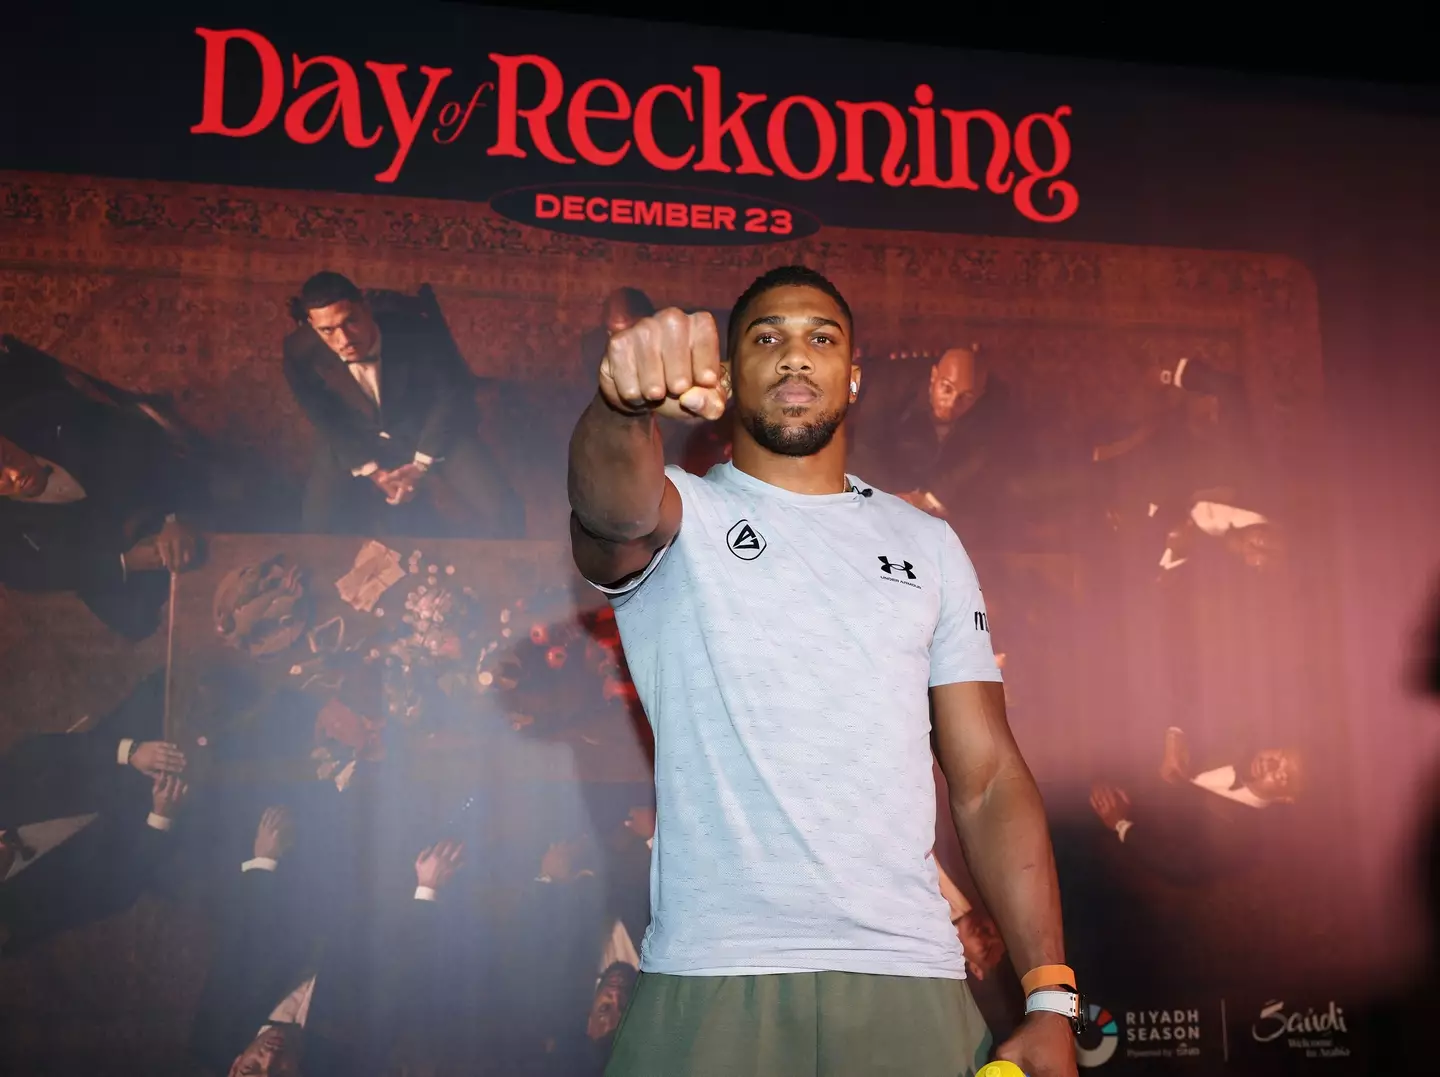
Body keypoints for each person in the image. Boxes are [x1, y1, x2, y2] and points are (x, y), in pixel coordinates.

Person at [566, 264, 1079, 1077]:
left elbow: (986, 778)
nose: (795, 355)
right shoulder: (681, 511)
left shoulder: (928, 543)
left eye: (821, 338)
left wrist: (1049, 994)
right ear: (730, 377)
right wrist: (619, 405)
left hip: (908, 980)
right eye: (767, 338)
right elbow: (608, 509)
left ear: (856, 373)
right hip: (711, 977)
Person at [189, 805, 462, 1076]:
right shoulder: (349, 1058)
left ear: (235, 1066)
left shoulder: (216, 1030)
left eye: (252, 1069)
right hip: (383, 907)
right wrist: (427, 889)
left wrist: (264, 859)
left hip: (299, 884)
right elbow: (403, 977)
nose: (269, 1058)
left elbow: (240, 937)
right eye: (280, 1076)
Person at [283, 271, 522, 538]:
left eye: (350, 321)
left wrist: (420, 465)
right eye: (327, 330)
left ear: (365, 307)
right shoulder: (298, 351)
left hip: (427, 431)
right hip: (356, 441)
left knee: (505, 510)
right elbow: (326, 419)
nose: (344, 339)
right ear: (311, 325)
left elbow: (450, 397)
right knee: (315, 525)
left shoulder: (418, 333)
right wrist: (373, 472)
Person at [0, 388, 202, 638]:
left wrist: (175, 515)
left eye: (7, 455)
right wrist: (125, 562)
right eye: (0, 477)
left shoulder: (45, 413)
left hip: (164, 502)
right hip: (115, 569)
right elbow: (43, 574)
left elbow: (144, 437)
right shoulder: (5, 541)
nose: (14, 473)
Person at [1089, 726, 1305, 885]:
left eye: (1282, 776)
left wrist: (1120, 824)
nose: (1270, 764)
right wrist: (1174, 735)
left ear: (1285, 799)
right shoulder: (1238, 735)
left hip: (1103, 845)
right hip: (1094, 761)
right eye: (1280, 755)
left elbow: (1179, 866)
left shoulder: (1244, 842)